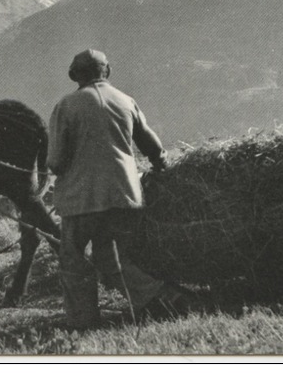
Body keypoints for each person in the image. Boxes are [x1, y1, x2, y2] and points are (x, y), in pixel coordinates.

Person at [47, 48, 190, 329]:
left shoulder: (66, 106)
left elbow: (55, 162)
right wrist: (161, 164)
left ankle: (83, 322)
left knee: (73, 258)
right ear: (107, 71)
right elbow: (152, 146)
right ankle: (165, 299)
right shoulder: (126, 101)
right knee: (114, 258)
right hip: (126, 195)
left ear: (75, 76)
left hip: (82, 200)